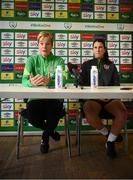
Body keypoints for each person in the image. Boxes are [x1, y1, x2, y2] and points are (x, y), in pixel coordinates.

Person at [79, 39, 127, 159]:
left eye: (100, 47)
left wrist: (109, 96)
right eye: (95, 47)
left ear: (104, 49)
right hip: (93, 100)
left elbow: (116, 84)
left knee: (122, 112)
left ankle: (110, 142)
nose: (98, 49)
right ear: (92, 50)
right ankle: (108, 134)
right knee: (88, 111)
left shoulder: (111, 65)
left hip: (110, 99)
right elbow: (81, 85)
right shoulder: (86, 65)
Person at [22, 31, 66, 154]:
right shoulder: (31, 60)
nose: (44, 47)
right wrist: (32, 83)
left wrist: (50, 82)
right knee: (31, 117)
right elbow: (24, 80)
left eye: (47, 44)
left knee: (54, 114)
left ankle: (45, 138)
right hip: (35, 99)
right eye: (41, 43)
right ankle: (50, 132)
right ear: (38, 45)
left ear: (52, 45)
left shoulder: (59, 60)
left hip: (53, 99)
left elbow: (65, 79)